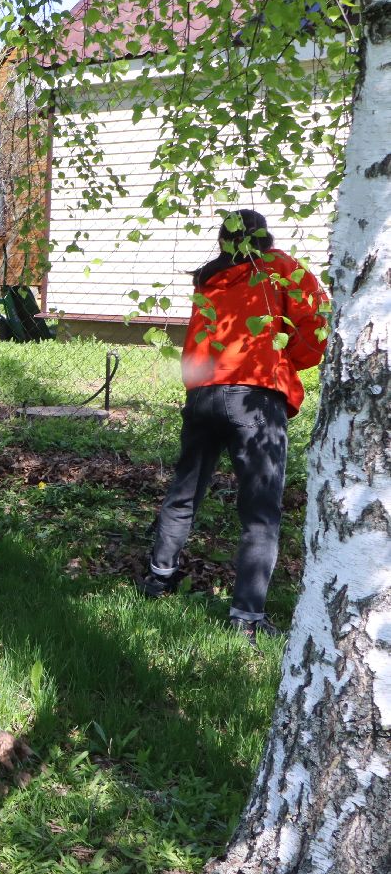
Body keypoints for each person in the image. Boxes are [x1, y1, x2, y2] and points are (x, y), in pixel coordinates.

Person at [138, 209, 329, 645]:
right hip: (256, 396)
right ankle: (246, 615)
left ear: (223, 240)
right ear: (266, 236)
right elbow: (312, 328)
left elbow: (197, 340)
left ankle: (157, 580)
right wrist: (285, 361)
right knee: (260, 509)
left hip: (203, 393)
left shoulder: (209, 277)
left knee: (185, 491)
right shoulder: (281, 268)